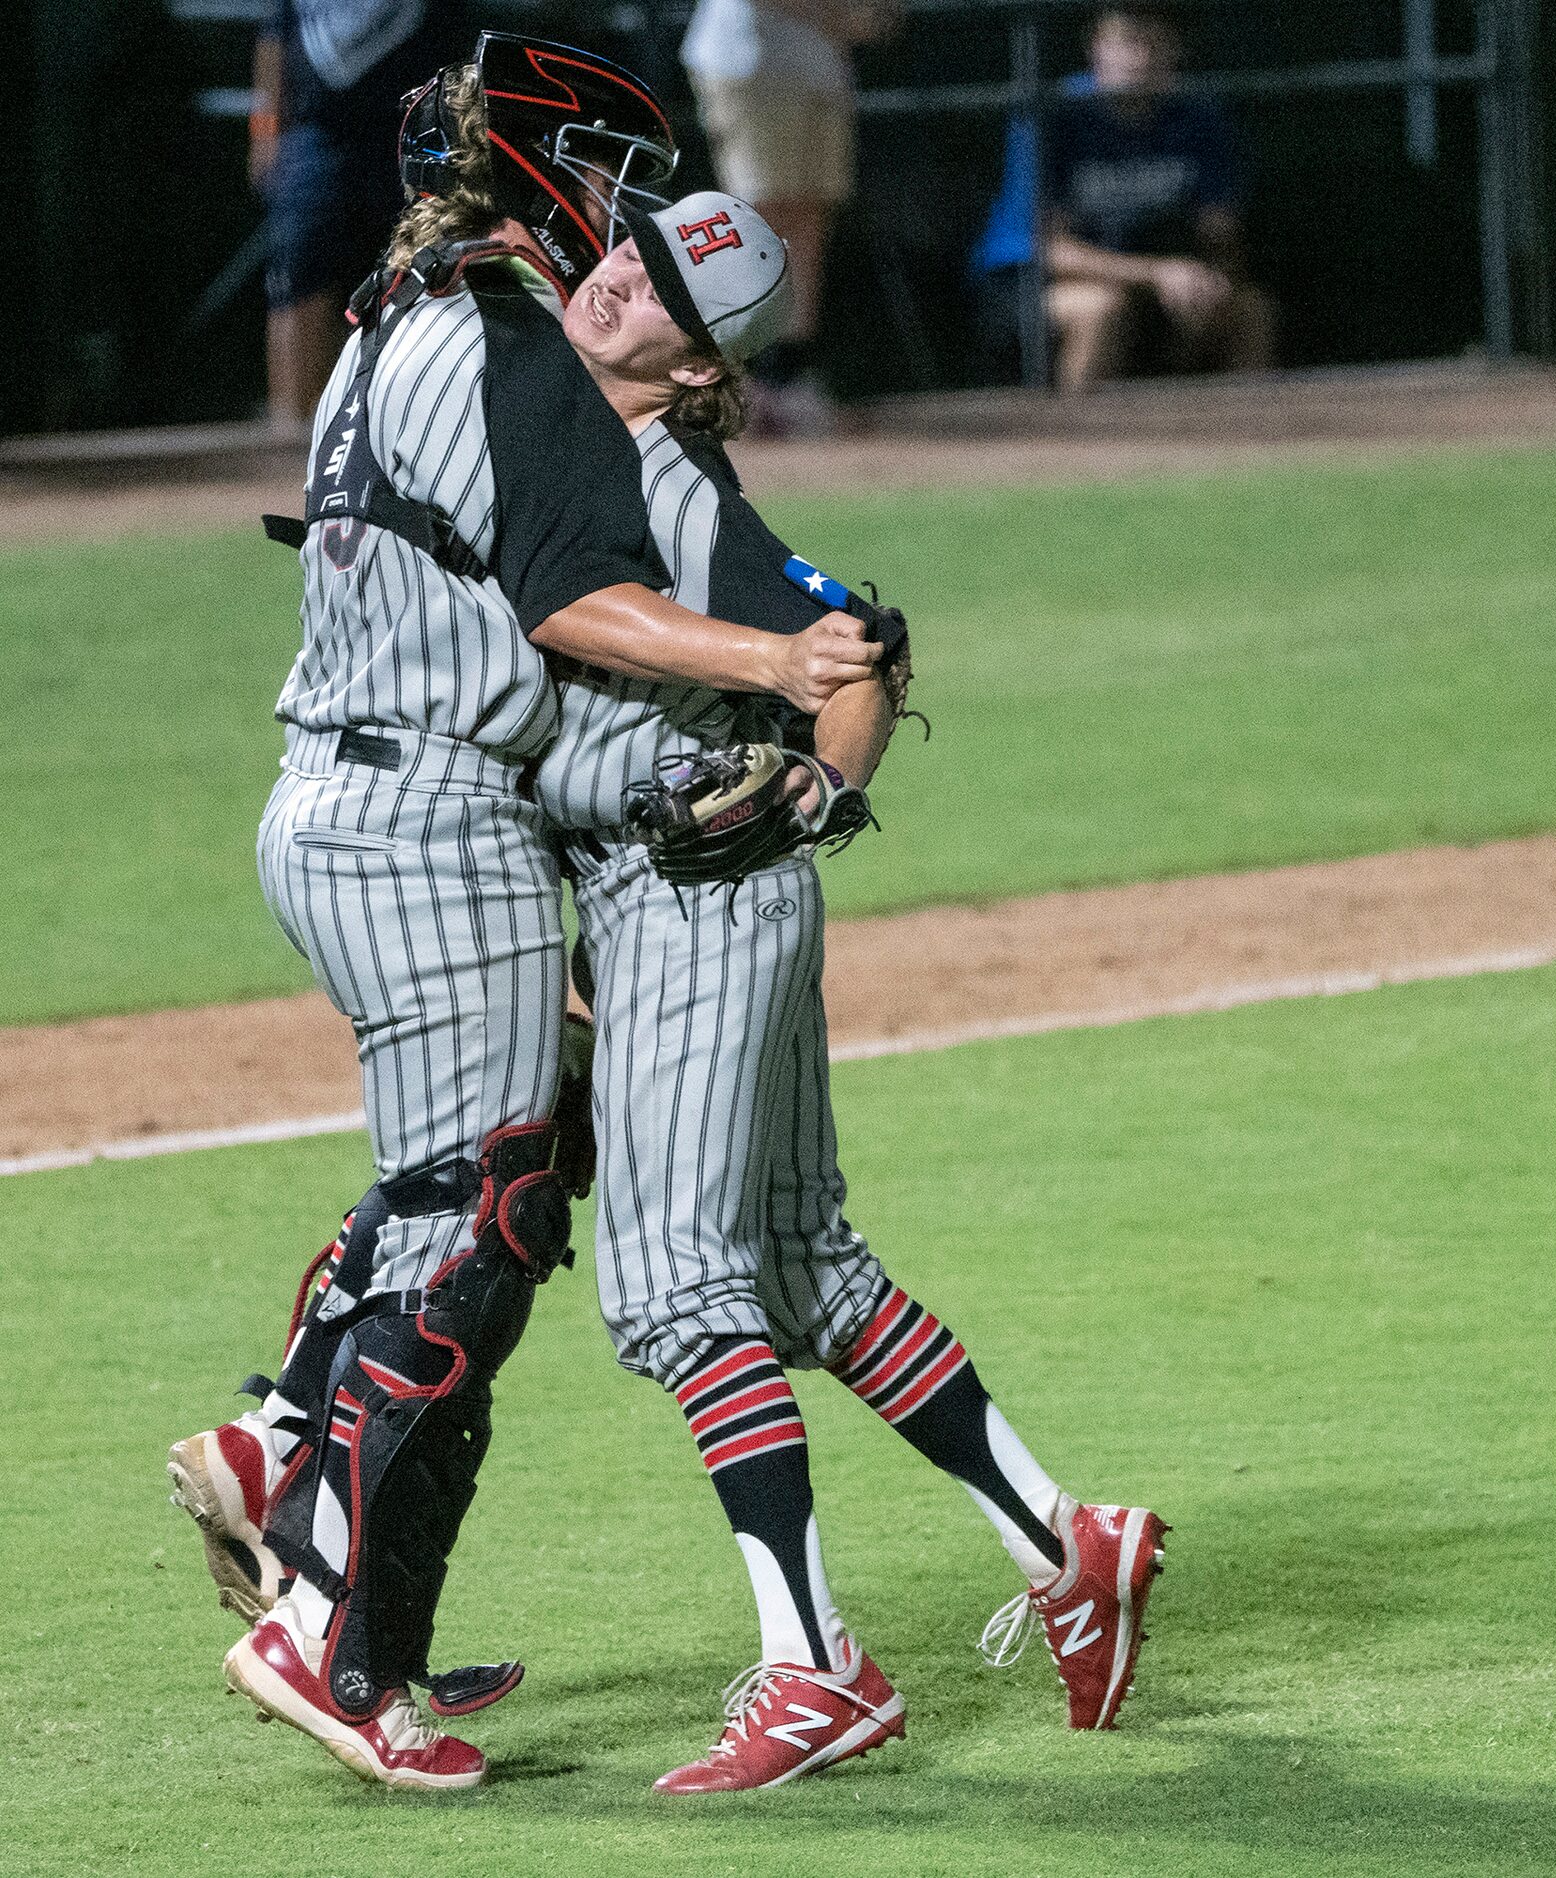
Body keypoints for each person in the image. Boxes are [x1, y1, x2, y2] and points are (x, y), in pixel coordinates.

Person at [167, 33, 878, 1793]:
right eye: (614, 204)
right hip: (424, 813)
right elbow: (577, 600)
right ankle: (324, 1613)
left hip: (337, 793)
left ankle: (305, 1501)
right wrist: (781, 665)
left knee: (477, 1180)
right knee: (478, 1215)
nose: (625, 239)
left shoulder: (387, 312)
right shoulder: (509, 348)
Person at [535, 190, 1171, 1792]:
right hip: (705, 906)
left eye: (666, 284)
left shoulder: (667, 483)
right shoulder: (587, 435)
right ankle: (1065, 1540)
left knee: (680, 1290)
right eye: (630, 247)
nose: (621, 279)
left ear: (699, 366)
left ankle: (816, 1666)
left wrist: (820, 788)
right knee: (805, 1270)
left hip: (692, 899)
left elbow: (859, 642)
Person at [679, 0, 900, 433]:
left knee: (809, 220)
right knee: (754, 223)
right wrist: (838, 14)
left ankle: (788, 378)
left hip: (819, 70)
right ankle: (734, 385)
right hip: (749, 65)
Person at [249, 0, 460, 427]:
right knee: (297, 273)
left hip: (408, 130)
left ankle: (396, 424)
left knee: (409, 274)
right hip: (316, 133)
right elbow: (274, 43)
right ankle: (291, 425)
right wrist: (264, 133)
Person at [1044, 5, 1274, 390]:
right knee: (1100, 309)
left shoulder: (1200, 117)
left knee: (1249, 313)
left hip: (1165, 276)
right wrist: (1156, 274)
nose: (1140, 59)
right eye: (1126, 44)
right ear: (1095, 49)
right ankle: (1079, 442)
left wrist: (1208, 281)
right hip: (1043, 283)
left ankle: (1249, 445)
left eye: (1154, 45)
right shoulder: (1056, 114)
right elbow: (1051, 252)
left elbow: (1219, 232)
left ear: (1175, 52)